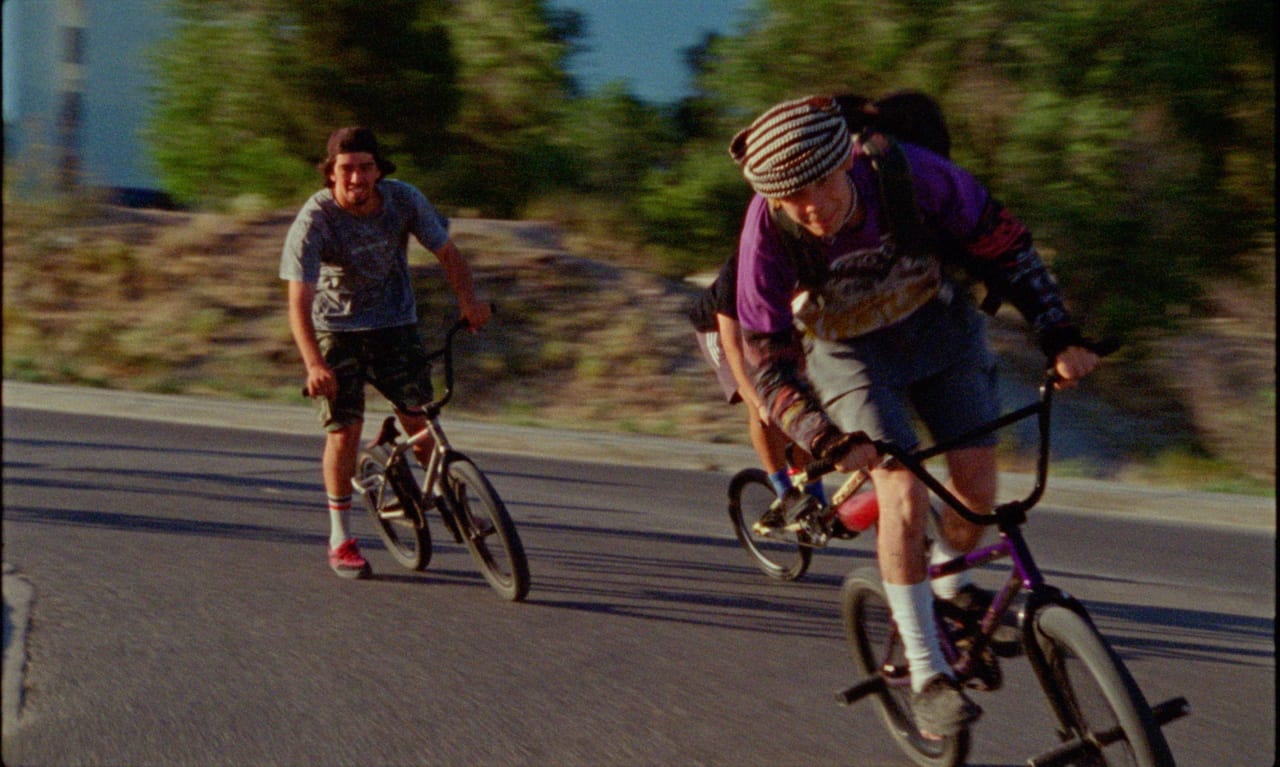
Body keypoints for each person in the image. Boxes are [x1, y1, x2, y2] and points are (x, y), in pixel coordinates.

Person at [728, 95, 1098, 738]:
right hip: (849, 354)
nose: (810, 208)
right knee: (899, 491)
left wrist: (1058, 332)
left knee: (977, 489)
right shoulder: (768, 229)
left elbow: (1005, 245)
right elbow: (767, 359)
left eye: (819, 184)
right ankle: (928, 675)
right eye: (793, 198)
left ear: (846, 157)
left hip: (940, 330)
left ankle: (950, 590)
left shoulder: (910, 173)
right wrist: (823, 436)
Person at [280, 127, 491, 579]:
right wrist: (314, 363)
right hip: (336, 331)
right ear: (331, 173)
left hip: (395, 323)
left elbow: (448, 253)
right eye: (346, 169)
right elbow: (298, 297)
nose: (356, 178)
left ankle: (458, 508)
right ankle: (341, 538)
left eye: (365, 168)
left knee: (420, 419)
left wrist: (469, 303)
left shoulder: (403, 200)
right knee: (345, 430)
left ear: (379, 170)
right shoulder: (315, 219)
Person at [689, 254, 825, 503]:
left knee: (804, 398)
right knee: (759, 400)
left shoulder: (806, 261)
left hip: (767, 323)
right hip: (719, 330)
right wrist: (760, 402)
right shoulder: (738, 273)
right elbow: (733, 349)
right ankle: (783, 489)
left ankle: (813, 487)